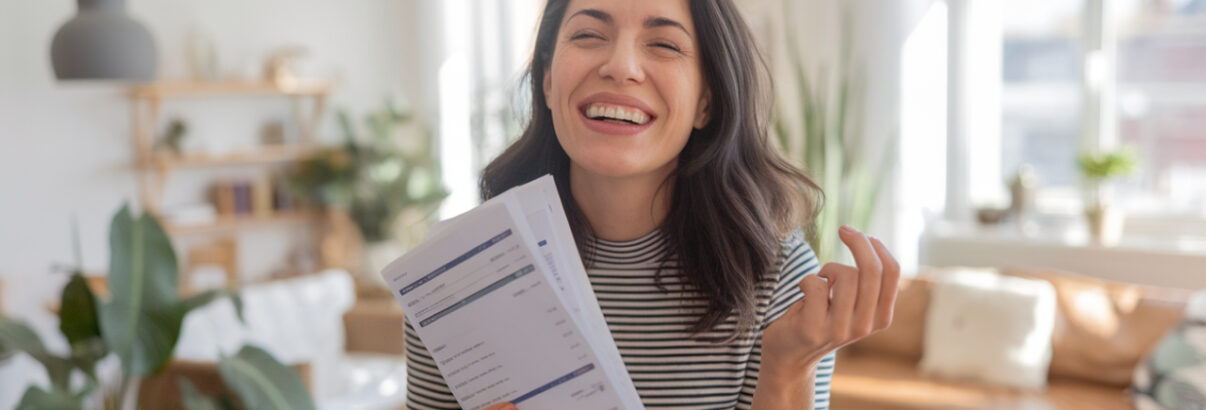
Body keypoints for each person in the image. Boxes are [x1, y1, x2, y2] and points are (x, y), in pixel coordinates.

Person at [404, 0, 901, 408]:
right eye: (588, 35)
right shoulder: (453, 276)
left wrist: (787, 368)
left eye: (664, 44)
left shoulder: (777, 278)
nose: (620, 66)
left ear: (706, 101)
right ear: (548, 81)